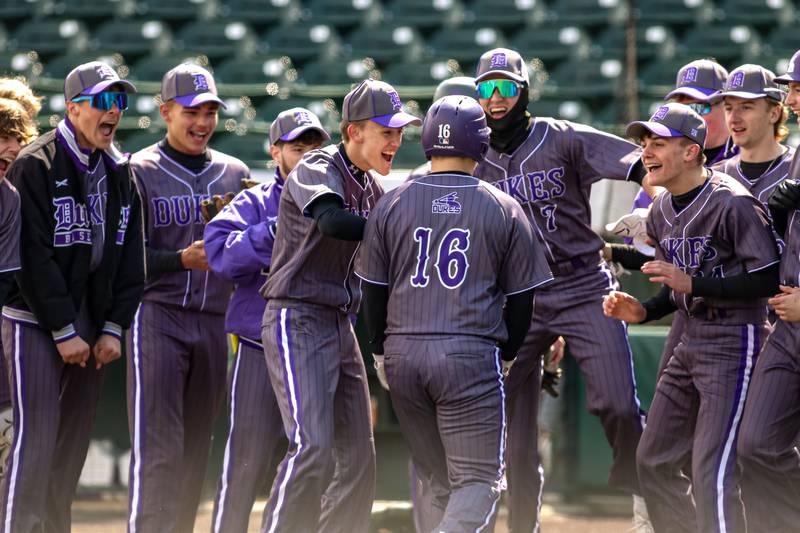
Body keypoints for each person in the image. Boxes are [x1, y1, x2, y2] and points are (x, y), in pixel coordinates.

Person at [471, 47, 650, 531]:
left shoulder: (561, 136)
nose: (496, 97)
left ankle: (648, 493)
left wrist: (661, 210)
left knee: (616, 403)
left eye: (505, 86)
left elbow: (640, 161)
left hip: (582, 282)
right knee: (500, 421)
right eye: (486, 88)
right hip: (517, 297)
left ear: (524, 91)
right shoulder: (474, 153)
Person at [356, 94, 552, 531]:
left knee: (439, 480)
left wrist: (380, 353)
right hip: (468, 354)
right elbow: (524, 300)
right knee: (479, 481)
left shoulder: (390, 202)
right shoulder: (504, 206)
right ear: (481, 144)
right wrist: (508, 355)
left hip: (403, 356)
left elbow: (372, 290)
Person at [604, 103, 780, 533]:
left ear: (692, 152)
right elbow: (677, 288)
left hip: (736, 339)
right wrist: (644, 311)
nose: (647, 151)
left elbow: (768, 278)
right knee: (652, 460)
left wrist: (693, 286)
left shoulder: (733, 203)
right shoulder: (662, 210)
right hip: (691, 339)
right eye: (645, 143)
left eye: (659, 143)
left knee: (711, 471)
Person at [258, 79, 419, 533]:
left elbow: (385, 268)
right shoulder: (316, 164)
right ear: (353, 132)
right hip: (296, 314)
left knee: (358, 459)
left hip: (339, 323)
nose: (396, 141)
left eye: (399, 131)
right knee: (311, 446)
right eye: (385, 131)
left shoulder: (374, 190)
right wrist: (396, 229)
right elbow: (332, 221)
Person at [0, 60, 144, 532]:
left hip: (91, 322)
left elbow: (129, 261)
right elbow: (30, 260)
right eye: (103, 100)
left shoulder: (121, 171)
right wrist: (63, 328)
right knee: (35, 440)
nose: (114, 111)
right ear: (73, 105)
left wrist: (112, 326)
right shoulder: (34, 164)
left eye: (119, 100)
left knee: (68, 451)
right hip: (32, 317)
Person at [126, 63, 249, 533]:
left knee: (198, 449)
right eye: (191, 112)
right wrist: (180, 260)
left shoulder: (234, 173)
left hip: (215, 321)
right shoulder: (137, 170)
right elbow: (121, 261)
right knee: (160, 449)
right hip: (158, 316)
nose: (202, 122)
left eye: (210, 111)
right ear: (165, 112)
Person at [204, 107, 330, 533]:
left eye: (316, 146)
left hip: (316, 348)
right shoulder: (255, 201)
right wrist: (281, 229)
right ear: (275, 151)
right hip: (260, 348)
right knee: (245, 463)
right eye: (298, 148)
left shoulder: (338, 201)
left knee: (314, 461)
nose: (310, 156)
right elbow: (219, 252)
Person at [736, 50, 800, 533]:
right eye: (792, 88)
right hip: (786, 327)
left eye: (799, 89)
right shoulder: (796, 160)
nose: (793, 98)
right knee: (755, 445)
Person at [0, 96, 38, 476]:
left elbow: (6, 278)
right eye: (4, 137)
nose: (13, 147)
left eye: (18, 138)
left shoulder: (10, 198)